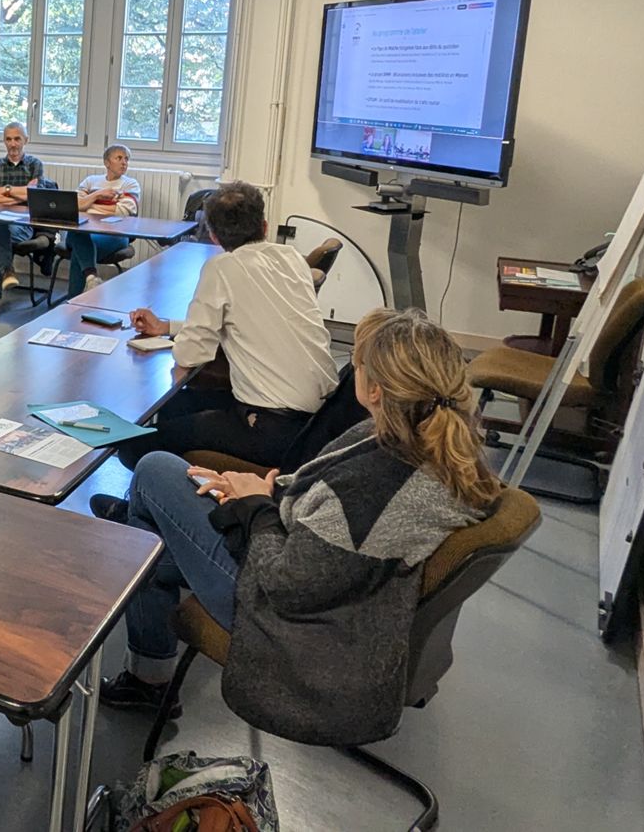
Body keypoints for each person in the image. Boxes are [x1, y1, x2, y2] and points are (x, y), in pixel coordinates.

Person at [98, 310, 502, 744]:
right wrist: (267, 490)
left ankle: (147, 671)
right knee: (151, 532)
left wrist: (255, 507)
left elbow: (285, 583)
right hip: (334, 590)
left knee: (154, 472)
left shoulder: (374, 489)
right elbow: (324, 499)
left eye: (357, 364)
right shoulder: (435, 449)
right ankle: (144, 613)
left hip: (289, 623)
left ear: (374, 389)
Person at [104, 180, 336, 484]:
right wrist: (167, 327)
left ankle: (163, 502)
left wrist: (182, 336)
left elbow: (191, 354)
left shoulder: (223, 268)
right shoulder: (292, 258)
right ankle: (149, 501)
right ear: (264, 225)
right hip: (318, 420)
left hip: (269, 426)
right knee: (177, 405)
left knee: (136, 445)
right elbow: (249, 319)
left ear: (213, 235)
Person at [0, 122, 52, 321]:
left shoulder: (35, 165)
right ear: (4, 141)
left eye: (17, 139)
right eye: (8, 139)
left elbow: (35, 196)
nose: (13, 144)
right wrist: (21, 194)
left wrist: (5, 191)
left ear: (25, 140)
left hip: (22, 223)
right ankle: (7, 271)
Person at [64, 144, 142, 298]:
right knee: (77, 234)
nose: (124, 162)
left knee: (79, 252)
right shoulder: (90, 181)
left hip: (115, 233)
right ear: (107, 162)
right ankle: (91, 281)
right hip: (84, 231)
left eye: (126, 159)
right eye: (119, 158)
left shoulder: (130, 184)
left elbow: (123, 211)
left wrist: (89, 205)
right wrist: (98, 195)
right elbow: (74, 206)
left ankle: (76, 296)